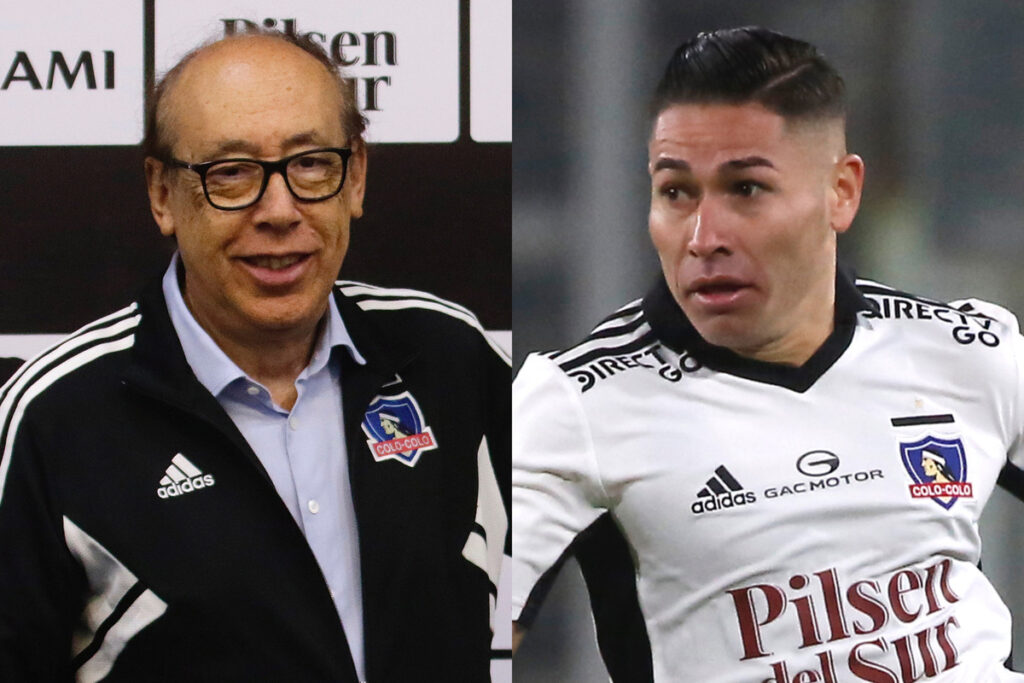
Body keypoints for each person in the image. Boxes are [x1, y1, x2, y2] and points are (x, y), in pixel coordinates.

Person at [511, 26, 1024, 682]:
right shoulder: (575, 401)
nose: (703, 236)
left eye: (745, 190)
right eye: (676, 192)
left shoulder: (962, 348)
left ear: (841, 192)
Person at [0, 30, 509, 682]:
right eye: (231, 173)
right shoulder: (58, 417)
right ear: (162, 194)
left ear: (355, 175)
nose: (279, 210)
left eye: (310, 164)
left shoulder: (450, 356)